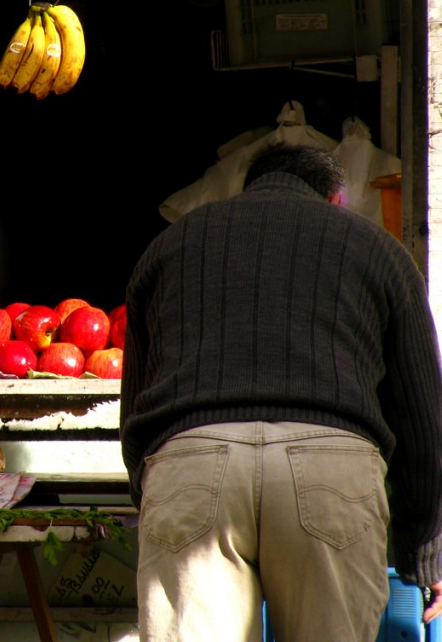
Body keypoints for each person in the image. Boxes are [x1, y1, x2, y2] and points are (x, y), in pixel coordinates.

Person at [119, 142, 442, 641]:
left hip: (192, 464)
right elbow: (423, 419)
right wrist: (422, 548)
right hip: (330, 470)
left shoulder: (169, 246)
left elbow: (135, 403)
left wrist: (160, 491)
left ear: (244, 190)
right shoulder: (378, 249)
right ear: (335, 199)